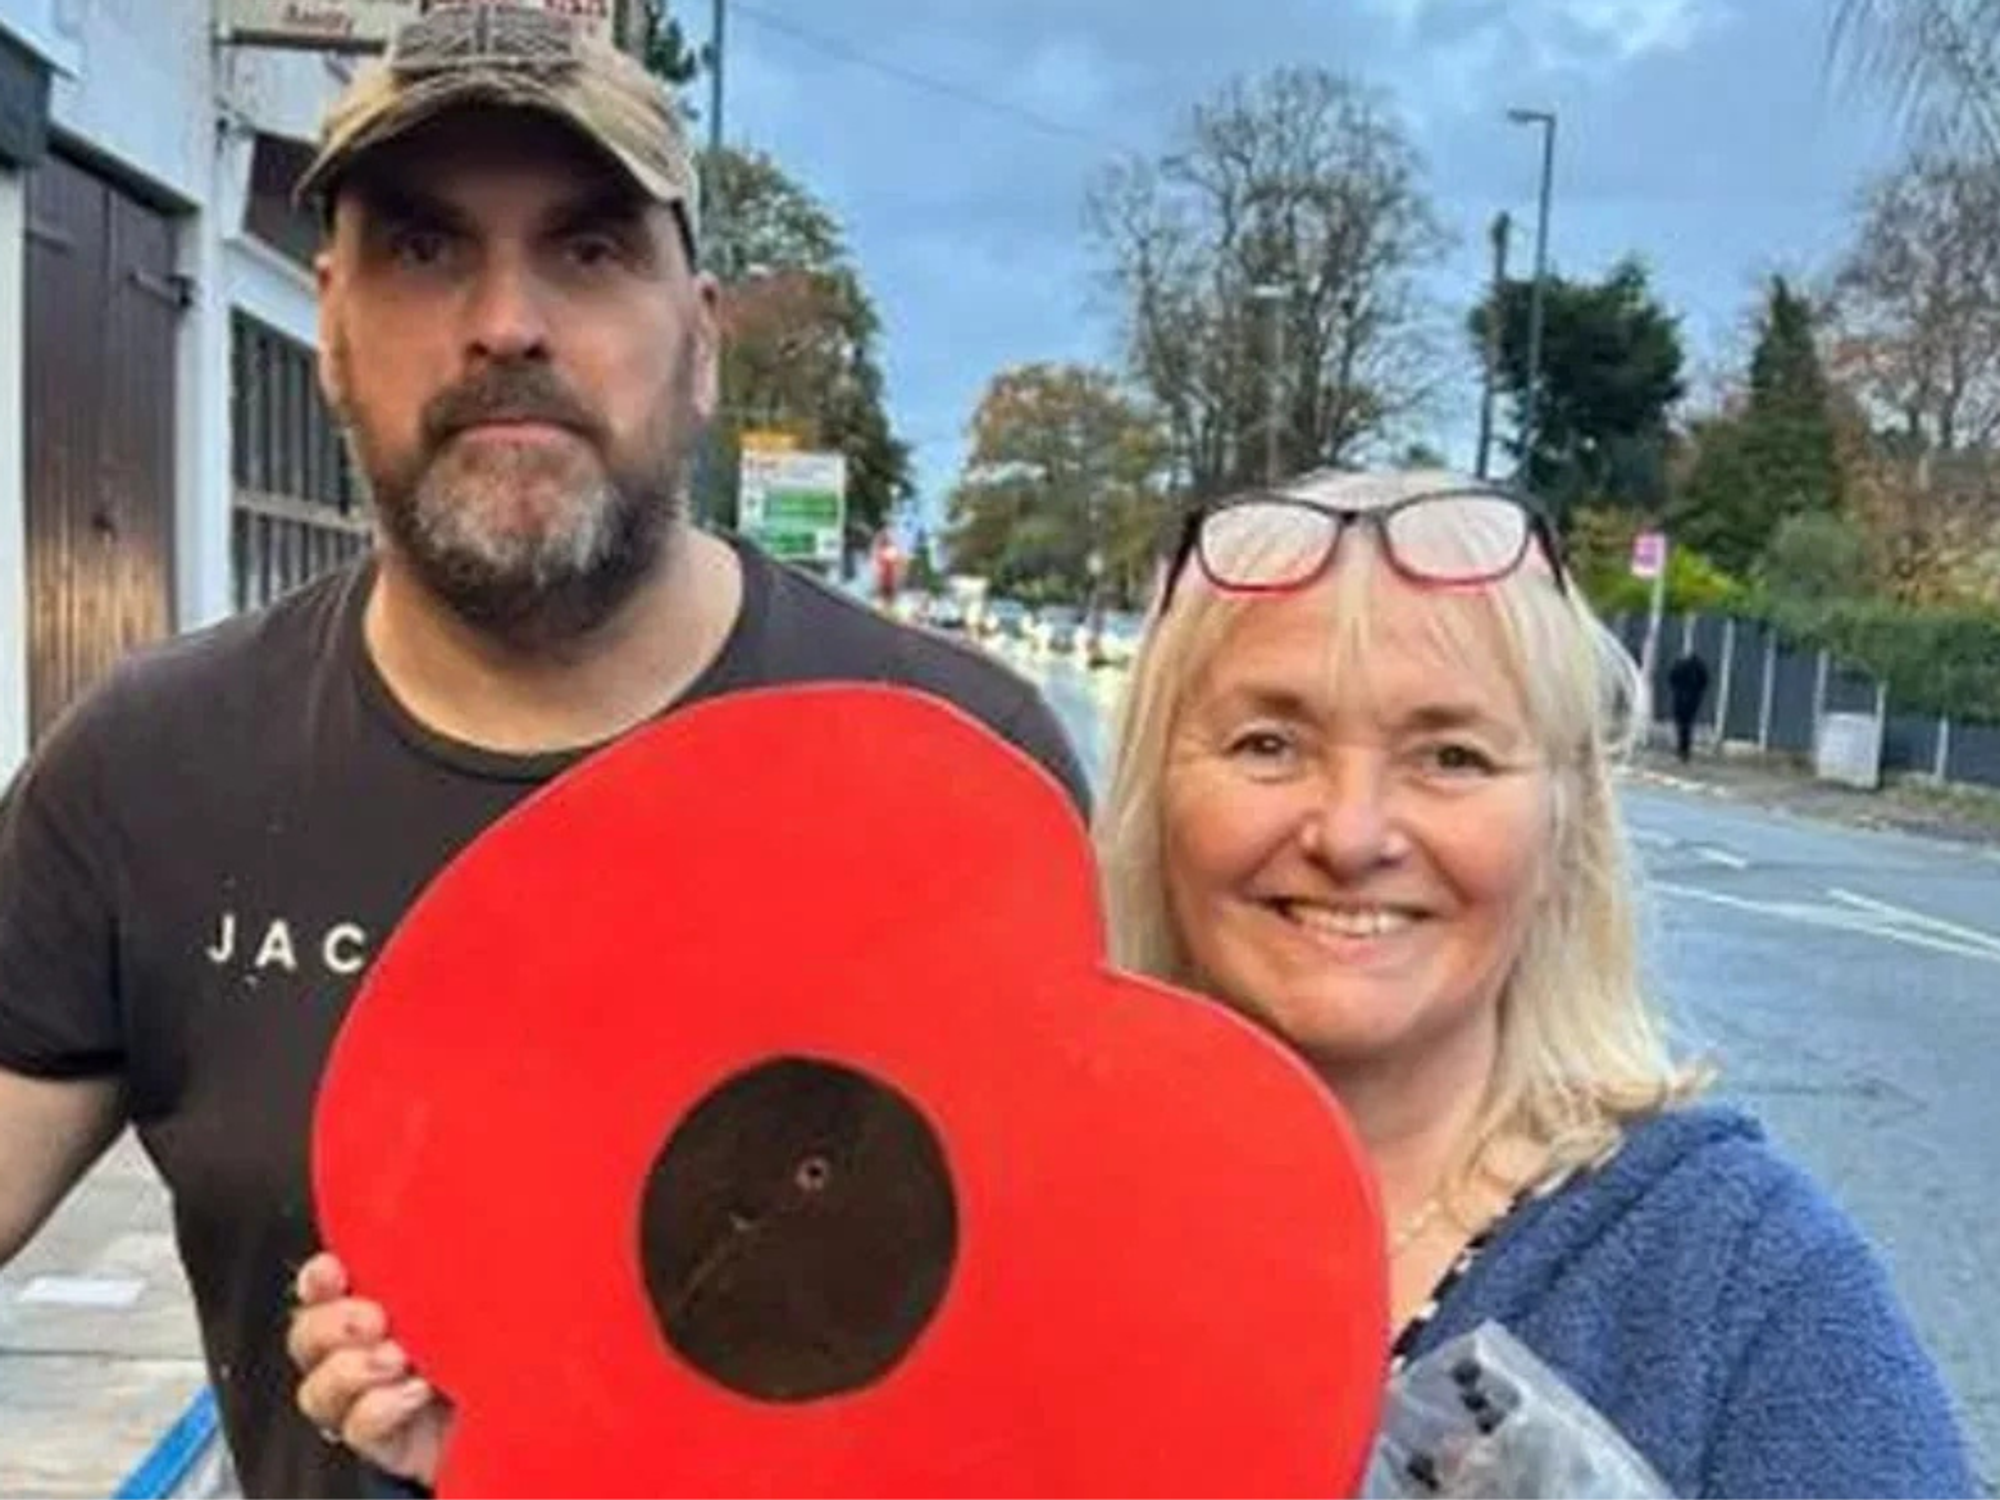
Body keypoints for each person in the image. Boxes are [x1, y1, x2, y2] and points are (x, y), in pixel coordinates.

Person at [292, 469, 1974, 1498]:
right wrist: (532, 1455)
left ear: (1567, 829)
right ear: (1156, 789)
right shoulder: (934, 1219)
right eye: (1266, 741)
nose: (1354, 828)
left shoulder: (1728, 1285)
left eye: (1452, 754)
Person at [0, 6, 1086, 1496]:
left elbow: (1075, 1365)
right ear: (327, 324)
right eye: (425, 249)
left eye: (586, 250)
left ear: (698, 338)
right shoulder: (150, 775)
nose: (505, 321)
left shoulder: (958, 770)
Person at [1667, 649, 1711, 764]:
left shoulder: (1679, 666)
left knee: (1681, 726)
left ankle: (1682, 749)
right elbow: (1704, 681)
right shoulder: (1698, 668)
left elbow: (1671, 679)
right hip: (1692, 700)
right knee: (1687, 726)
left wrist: (1677, 691)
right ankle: (1684, 751)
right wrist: (1698, 693)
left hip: (1680, 699)